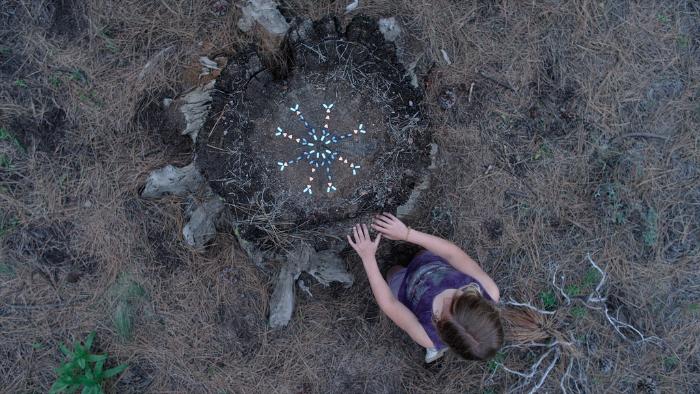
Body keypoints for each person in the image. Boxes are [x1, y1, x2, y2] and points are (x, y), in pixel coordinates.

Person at [347, 213, 504, 363]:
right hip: (430, 264)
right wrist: (407, 234)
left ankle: (396, 270)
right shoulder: (488, 289)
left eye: (439, 311)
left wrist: (368, 258)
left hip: (406, 288)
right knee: (420, 254)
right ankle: (413, 259)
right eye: (459, 295)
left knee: (392, 272)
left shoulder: (427, 337)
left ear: (441, 330)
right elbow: (452, 254)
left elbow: (390, 303)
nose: (446, 297)